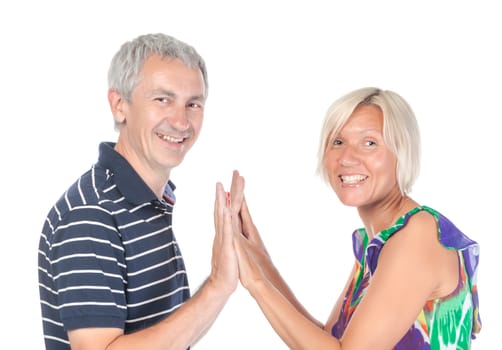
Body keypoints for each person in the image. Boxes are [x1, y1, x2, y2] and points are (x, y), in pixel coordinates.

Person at [226, 87, 482, 349]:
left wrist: (255, 283)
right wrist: (259, 260)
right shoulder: (379, 242)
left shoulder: (418, 236)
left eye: (369, 143)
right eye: (337, 142)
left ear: (402, 153)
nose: (347, 158)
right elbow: (329, 340)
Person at [38, 33, 245, 350]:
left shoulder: (150, 201)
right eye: (162, 99)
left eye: (193, 104)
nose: (180, 121)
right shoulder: (91, 215)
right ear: (119, 105)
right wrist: (217, 286)